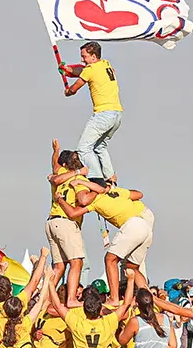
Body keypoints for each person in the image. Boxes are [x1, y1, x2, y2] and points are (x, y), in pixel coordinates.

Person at [57, 180, 153, 302]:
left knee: (110, 259)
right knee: (132, 267)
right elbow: (139, 194)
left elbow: (73, 212)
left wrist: (60, 200)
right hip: (146, 225)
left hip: (133, 224)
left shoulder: (94, 200)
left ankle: (114, 298)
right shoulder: (116, 192)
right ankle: (150, 299)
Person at [60, 41, 122, 185]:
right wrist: (68, 70)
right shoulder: (105, 64)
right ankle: (110, 178)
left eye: (84, 56)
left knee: (83, 148)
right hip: (117, 115)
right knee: (100, 147)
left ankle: (97, 180)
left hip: (103, 115)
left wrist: (68, 91)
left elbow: (74, 88)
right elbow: (83, 71)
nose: (82, 59)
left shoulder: (90, 69)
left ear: (93, 56)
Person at [47, 139, 91, 304]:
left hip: (52, 221)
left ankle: (44, 299)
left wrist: (55, 151)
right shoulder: (79, 179)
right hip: (66, 222)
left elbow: (54, 166)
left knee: (59, 267)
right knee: (77, 262)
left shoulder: (60, 174)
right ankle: (71, 298)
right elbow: (84, 199)